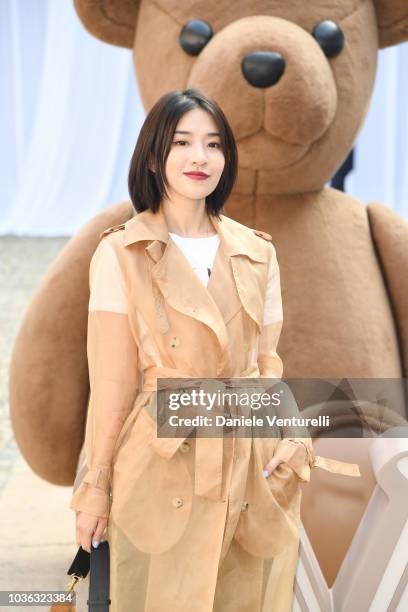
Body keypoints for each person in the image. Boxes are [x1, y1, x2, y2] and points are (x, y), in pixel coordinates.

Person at [69, 88, 360, 611]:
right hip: (161, 463)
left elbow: (269, 367)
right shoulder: (120, 252)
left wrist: (292, 440)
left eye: (213, 144)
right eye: (182, 142)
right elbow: (111, 385)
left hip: (252, 464)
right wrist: (95, 487)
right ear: (155, 157)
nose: (200, 157)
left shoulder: (258, 251)